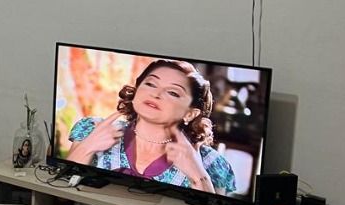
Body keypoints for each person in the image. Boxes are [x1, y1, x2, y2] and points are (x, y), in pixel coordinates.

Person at [66, 59, 236, 196]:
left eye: (173, 92)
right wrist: (88, 146)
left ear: (190, 114)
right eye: (151, 84)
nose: (155, 94)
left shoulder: (212, 163)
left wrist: (198, 175)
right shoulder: (93, 129)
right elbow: (61, 189)